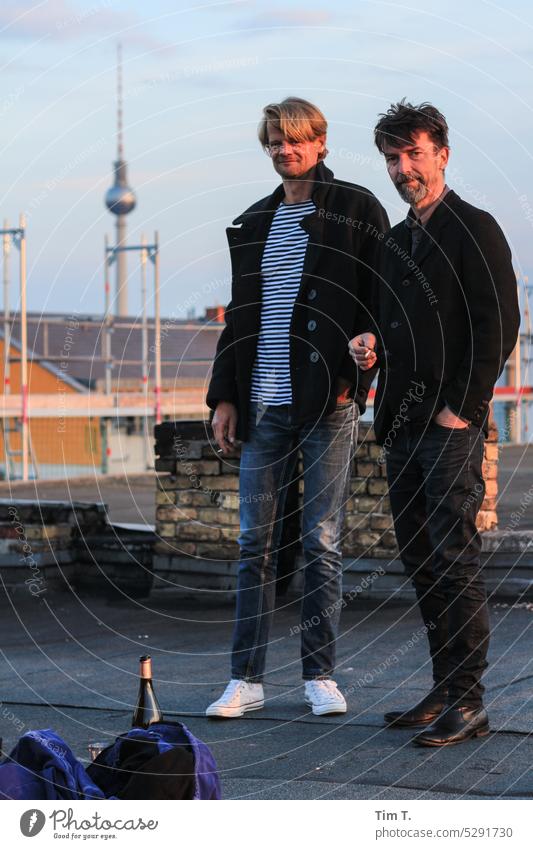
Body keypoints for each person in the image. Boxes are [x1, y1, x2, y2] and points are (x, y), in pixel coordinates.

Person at [205, 97, 389, 718]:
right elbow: (240, 319)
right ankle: (245, 680)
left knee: (321, 539)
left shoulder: (357, 209)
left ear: (320, 143)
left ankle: (320, 675)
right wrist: (224, 396)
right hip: (263, 404)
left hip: (328, 405)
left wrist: (360, 363)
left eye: (297, 140)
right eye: (276, 142)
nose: (286, 150)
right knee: (254, 541)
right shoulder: (252, 222)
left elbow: (380, 297)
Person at [349, 100, 520, 746]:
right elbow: (391, 326)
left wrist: (462, 409)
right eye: (392, 158)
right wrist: (369, 348)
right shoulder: (395, 242)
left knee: (453, 559)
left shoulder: (474, 229)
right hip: (399, 424)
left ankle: (470, 700)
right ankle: (445, 686)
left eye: (412, 154)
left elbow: (499, 325)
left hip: (448, 428)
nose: (402, 168)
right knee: (421, 560)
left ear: (442, 154)